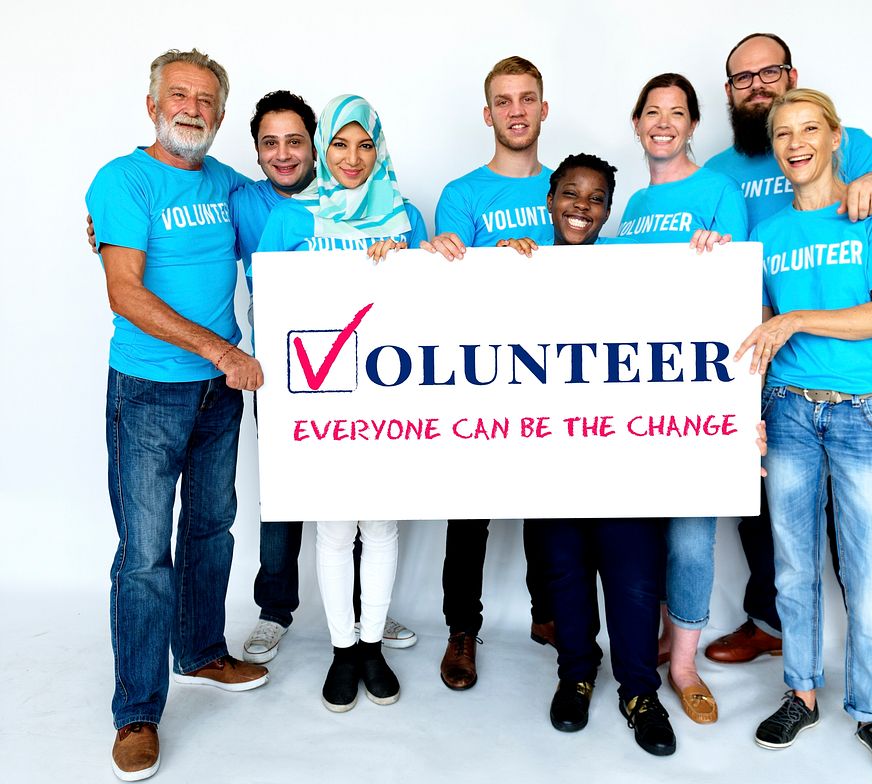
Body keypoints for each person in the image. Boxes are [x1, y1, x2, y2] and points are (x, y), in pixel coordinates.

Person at [703, 32, 872, 717]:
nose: (756, 85)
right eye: (742, 80)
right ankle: (789, 663)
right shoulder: (737, 186)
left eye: (768, 73)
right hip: (786, 404)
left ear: (833, 137)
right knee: (785, 554)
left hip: (864, 404)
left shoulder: (865, 179)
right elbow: (748, 302)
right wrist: (711, 255)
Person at [85, 48, 268, 782]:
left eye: (205, 99)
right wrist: (222, 351)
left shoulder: (227, 185)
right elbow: (124, 292)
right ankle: (137, 710)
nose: (191, 107)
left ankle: (199, 651)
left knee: (210, 529)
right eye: (178, 95)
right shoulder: (122, 180)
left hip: (217, 397)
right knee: (143, 555)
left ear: (221, 115)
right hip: (150, 393)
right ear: (153, 105)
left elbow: (303, 219)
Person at [231, 91, 417, 664]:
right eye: (341, 143)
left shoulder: (403, 212)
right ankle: (277, 611)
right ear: (324, 147)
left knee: (373, 508)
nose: (353, 156)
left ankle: (370, 615)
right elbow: (271, 291)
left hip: (383, 384)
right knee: (297, 497)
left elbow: (423, 301)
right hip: (302, 381)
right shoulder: (287, 214)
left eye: (365, 144)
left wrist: (407, 259)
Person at [497, 153, 674, 756]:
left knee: (632, 579)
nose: (582, 206)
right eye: (570, 193)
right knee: (566, 571)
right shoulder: (516, 266)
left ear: (608, 211)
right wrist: (487, 268)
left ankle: (639, 693)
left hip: (623, 458)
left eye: (596, 198)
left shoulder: (635, 271)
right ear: (549, 200)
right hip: (549, 458)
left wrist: (708, 257)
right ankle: (575, 673)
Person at [616, 72, 748, 726]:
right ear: (637, 124)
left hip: (702, 391)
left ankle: (685, 665)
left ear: (694, 124)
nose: (663, 122)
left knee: (693, 537)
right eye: (652, 112)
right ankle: (667, 639)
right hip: (639, 394)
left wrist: (719, 255)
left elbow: (740, 291)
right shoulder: (633, 208)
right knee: (648, 533)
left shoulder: (719, 191)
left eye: (676, 112)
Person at [421, 55, 557, 692]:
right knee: (468, 511)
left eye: (527, 98)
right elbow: (445, 292)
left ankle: (550, 614)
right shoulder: (462, 194)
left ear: (544, 108)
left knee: (549, 504)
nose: (517, 110)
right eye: (504, 101)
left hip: (553, 372)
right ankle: (461, 629)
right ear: (487, 114)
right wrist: (483, 263)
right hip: (477, 374)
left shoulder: (566, 187)